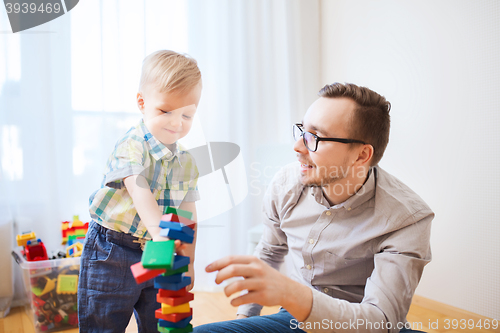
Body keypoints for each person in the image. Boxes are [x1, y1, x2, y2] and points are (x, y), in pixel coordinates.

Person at [194, 83, 433, 333]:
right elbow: (271, 250)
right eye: (302, 131)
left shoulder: (407, 218)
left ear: (362, 155)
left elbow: (380, 321)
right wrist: (245, 318)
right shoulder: (286, 184)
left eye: (315, 137)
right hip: (295, 319)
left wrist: (291, 294)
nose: (297, 147)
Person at [78, 50, 202, 333]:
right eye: (165, 111)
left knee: (160, 323)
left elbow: (188, 214)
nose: (176, 122)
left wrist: (189, 261)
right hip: (113, 250)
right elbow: (138, 187)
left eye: (187, 115)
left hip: (161, 254)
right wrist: (160, 232)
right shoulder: (132, 144)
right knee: (104, 322)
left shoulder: (186, 161)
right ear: (142, 103)